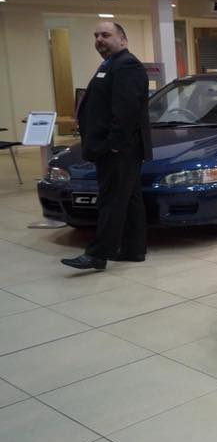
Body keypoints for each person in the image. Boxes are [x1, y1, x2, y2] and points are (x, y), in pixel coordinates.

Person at [61, 22, 152, 270]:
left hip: (120, 149)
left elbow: (126, 110)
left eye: (106, 35)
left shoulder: (126, 65)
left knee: (111, 200)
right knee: (130, 199)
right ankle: (133, 249)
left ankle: (98, 254)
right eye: (96, 35)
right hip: (117, 147)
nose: (99, 39)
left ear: (123, 39)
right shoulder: (110, 64)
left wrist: (114, 145)